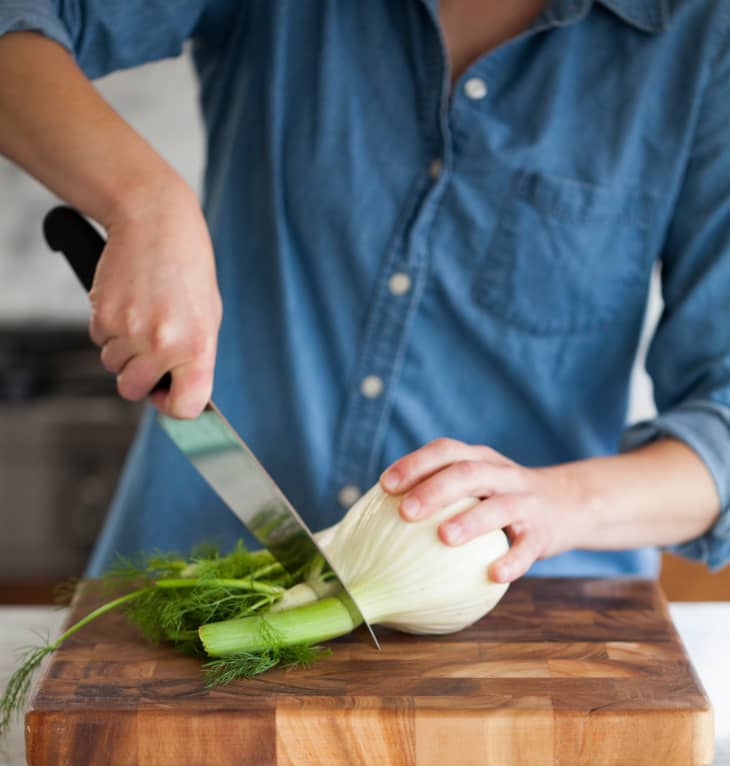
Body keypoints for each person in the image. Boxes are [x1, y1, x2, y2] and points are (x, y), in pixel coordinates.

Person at [1, 0, 728, 584]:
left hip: (532, 631)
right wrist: (145, 200)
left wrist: (559, 502)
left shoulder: (703, 40)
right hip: (195, 582)